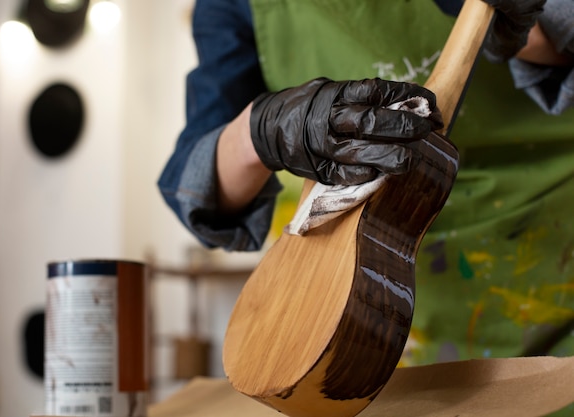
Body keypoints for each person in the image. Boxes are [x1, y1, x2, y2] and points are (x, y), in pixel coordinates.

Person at [158, 0, 574, 413]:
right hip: (361, 328)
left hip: (554, 280)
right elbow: (193, 185)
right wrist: (262, 132)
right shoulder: (229, 7)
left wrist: (531, 28)